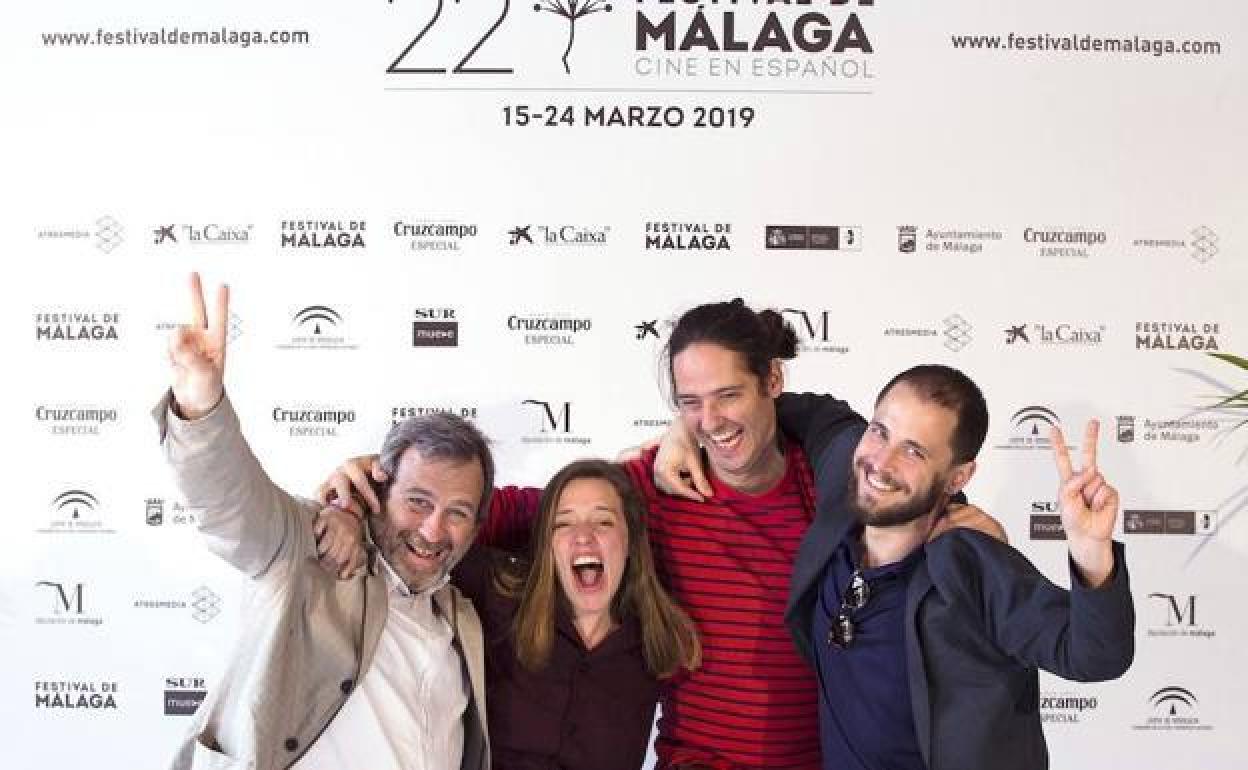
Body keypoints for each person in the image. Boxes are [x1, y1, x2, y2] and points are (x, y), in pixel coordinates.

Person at [320, 300, 1002, 770]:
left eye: (728, 395)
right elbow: (481, 511)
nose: (711, 421)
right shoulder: (652, 486)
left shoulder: (832, 489)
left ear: (772, 380)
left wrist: (955, 511)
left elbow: (895, 473)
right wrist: (369, 488)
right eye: (689, 403)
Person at [157, 274, 491, 770]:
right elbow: (232, 507)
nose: (433, 530)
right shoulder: (312, 550)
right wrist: (201, 407)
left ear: (477, 525)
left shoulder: (463, 618)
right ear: (378, 490)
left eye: (457, 512)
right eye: (418, 501)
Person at [777, 365, 1134, 770]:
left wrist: (1091, 549)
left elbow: (1096, 656)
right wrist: (709, 416)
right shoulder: (848, 478)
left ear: (957, 477)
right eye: (879, 430)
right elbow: (802, 411)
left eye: (914, 451)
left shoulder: (972, 565)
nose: (881, 462)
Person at [452, 459, 701, 770]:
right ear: (545, 543)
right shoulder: (497, 596)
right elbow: (440, 524)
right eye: (563, 524)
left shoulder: (658, 642)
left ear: (631, 541)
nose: (583, 536)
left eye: (604, 522)